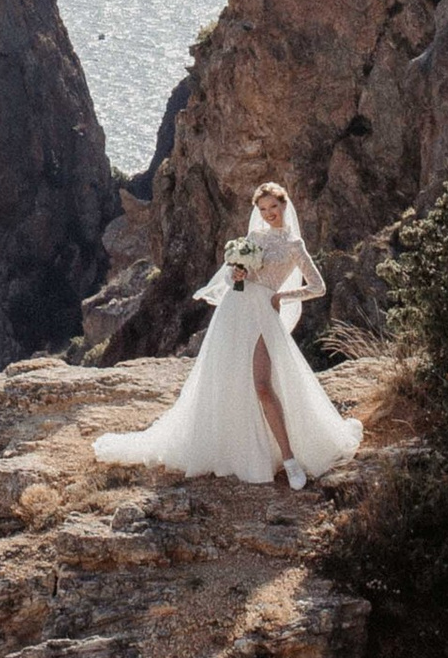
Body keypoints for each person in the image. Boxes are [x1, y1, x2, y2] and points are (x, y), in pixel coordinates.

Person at [95, 181, 362, 491]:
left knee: (263, 387)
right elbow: (231, 278)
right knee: (228, 383)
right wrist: (236, 275)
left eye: (273, 207)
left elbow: (318, 287)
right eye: (262, 209)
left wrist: (282, 296)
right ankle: (235, 450)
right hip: (234, 313)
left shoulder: (294, 245)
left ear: (284, 205)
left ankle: (289, 459)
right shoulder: (253, 237)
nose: (268, 214)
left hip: (265, 314)